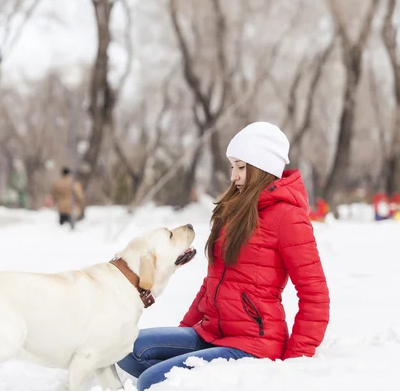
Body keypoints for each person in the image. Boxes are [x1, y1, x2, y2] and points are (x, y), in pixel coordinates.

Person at [116, 122, 330, 391]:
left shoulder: (288, 217)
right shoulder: (233, 209)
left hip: (253, 344)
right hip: (211, 332)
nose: (234, 176)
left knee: (150, 381)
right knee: (125, 349)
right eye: (233, 167)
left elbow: (315, 294)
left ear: (262, 168)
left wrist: (295, 362)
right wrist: (185, 331)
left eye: (241, 167)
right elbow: (212, 282)